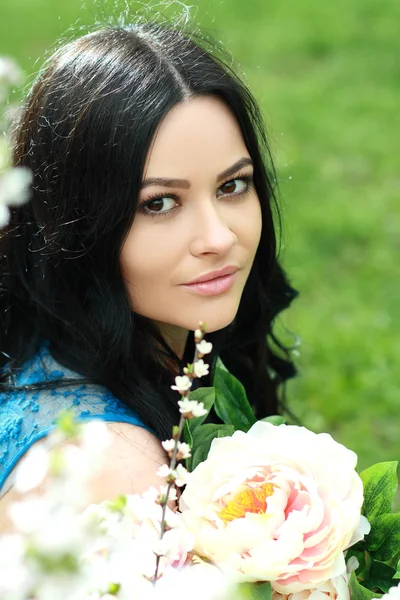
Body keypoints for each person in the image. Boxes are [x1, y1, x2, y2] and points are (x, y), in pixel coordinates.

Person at [0, 20, 297, 518]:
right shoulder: (116, 476)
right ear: (74, 225)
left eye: (232, 186)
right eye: (159, 203)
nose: (219, 238)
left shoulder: (45, 344)